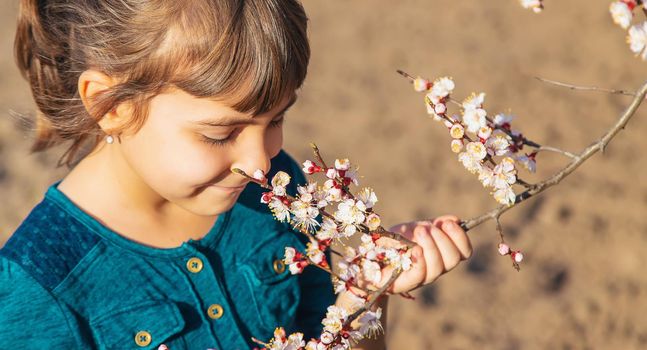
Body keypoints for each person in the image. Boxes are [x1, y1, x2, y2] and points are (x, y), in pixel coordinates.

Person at [0, 0, 473, 349]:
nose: (261, 164)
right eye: (219, 133)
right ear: (112, 106)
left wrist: (365, 296)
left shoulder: (279, 197)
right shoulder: (42, 291)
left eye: (276, 121)